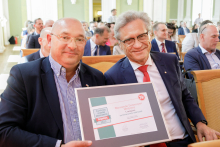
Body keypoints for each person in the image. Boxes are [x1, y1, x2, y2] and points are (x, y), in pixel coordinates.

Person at [104, 10, 220, 147]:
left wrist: (200, 123)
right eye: (129, 40)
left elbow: (184, 96)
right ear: (120, 44)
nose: (137, 45)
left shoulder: (170, 61)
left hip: (181, 140)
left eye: (141, 36)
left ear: (150, 35)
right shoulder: (113, 76)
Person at [0, 18, 106, 147]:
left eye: (79, 39)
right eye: (65, 37)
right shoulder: (24, 76)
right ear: (49, 40)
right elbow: (4, 131)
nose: (72, 46)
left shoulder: (96, 77)